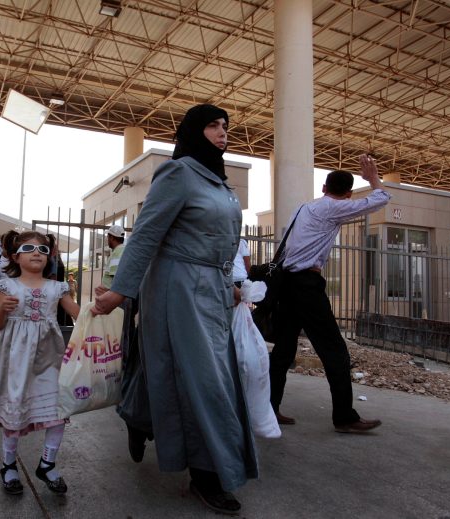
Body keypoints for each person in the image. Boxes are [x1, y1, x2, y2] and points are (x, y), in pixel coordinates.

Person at [93, 104, 256, 515]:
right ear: (194, 131)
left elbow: (223, 242)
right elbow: (146, 236)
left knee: (170, 368)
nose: (222, 134)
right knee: (206, 379)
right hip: (177, 287)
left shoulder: (218, 181)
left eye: (225, 127)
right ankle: (207, 475)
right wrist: (120, 292)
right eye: (213, 126)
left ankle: (137, 416)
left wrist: (232, 285)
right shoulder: (178, 172)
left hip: (212, 290)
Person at [269, 154, 390, 433]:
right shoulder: (336, 208)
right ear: (347, 194)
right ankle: (345, 418)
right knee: (334, 350)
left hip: (287, 284)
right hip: (307, 287)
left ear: (323, 188)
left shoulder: (303, 208)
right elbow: (379, 199)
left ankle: (268, 410)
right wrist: (372, 179)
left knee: (284, 351)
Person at [0, 230, 80, 496]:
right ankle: (8, 465)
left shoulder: (57, 288)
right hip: (15, 362)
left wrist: (102, 305)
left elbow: (80, 315)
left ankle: (47, 463)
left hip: (49, 360)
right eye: (30, 249)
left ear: (49, 257)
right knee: (14, 411)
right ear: (15, 256)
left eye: (43, 250)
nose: (37, 253)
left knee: (58, 411)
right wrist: (2, 309)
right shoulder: (6, 286)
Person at [95, 224, 152, 463]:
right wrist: (116, 295)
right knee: (144, 369)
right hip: (143, 303)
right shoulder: (140, 246)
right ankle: (137, 423)